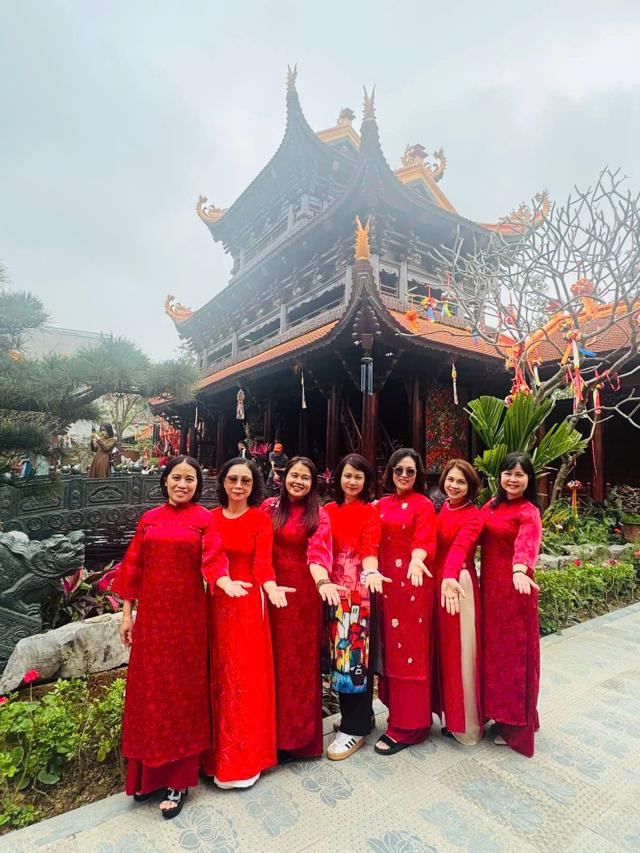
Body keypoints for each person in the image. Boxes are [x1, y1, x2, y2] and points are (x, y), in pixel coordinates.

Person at [114, 456, 248, 819]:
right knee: (149, 693)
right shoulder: (149, 519)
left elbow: (214, 560)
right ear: (165, 481)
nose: (182, 484)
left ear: (197, 486)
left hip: (188, 622)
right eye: (177, 477)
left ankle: (178, 780)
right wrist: (127, 614)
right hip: (152, 622)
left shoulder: (203, 519)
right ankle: (147, 777)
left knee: (181, 696)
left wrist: (224, 582)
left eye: (190, 479)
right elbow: (133, 567)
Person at [202, 457, 294, 787]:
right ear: (223, 482)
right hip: (217, 604)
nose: (239, 486)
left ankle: (246, 760)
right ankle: (215, 758)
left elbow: (263, 565)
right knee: (219, 676)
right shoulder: (210, 519)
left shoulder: (259, 520)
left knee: (245, 677)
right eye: (233, 479)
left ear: (253, 486)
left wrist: (270, 588)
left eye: (246, 481)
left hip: (248, 607)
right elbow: (207, 561)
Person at [260, 456, 336, 759]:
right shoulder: (268, 509)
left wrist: (322, 581)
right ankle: (269, 738)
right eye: (294, 475)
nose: (298, 481)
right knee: (270, 664)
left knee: (299, 668)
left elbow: (318, 552)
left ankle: (298, 741)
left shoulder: (319, 515)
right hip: (270, 592)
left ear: (313, 483)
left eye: (305, 477)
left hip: (303, 600)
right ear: (284, 477)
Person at [480, 451, 542, 757]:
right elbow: (470, 530)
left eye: (519, 474)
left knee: (513, 660)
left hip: (515, 594)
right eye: (508, 473)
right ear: (500, 477)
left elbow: (526, 543)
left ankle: (516, 725)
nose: (512, 479)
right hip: (489, 595)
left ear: (529, 479)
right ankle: (498, 713)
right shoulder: (492, 506)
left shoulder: (529, 511)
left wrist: (519, 570)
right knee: (492, 657)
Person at [375, 448, 437, 754]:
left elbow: (424, 539)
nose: (403, 475)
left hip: (413, 588)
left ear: (418, 475)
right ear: (390, 472)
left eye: (410, 471)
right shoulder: (381, 505)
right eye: (398, 470)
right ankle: (396, 716)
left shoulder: (423, 505)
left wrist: (417, 559)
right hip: (386, 588)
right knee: (390, 652)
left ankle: (411, 726)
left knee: (410, 654)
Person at [324, 453, 383, 760]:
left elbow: (370, 549)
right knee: (340, 659)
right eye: (348, 475)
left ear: (366, 481)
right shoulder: (327, 510)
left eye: (358, 477)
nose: (352, 481)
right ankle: (360, 716)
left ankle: (354, 729)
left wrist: (371, 572)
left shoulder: (369, 513)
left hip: (357, 595)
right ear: (338, 477)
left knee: (353, 661)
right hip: (330, 592)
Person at [434, 459, 484, 745]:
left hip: (458, 586)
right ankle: (450, 717)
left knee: (461, 653)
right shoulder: (443, 507)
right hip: (440, 584)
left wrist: (449, 577)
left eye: (461, 482)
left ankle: (466, 725)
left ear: (470, 486)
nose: (454, 485)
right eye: (450, 479)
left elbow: (460, 549)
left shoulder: (473, 515)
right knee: (445, 652)